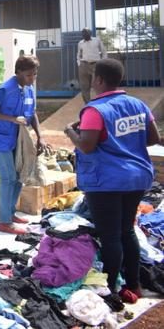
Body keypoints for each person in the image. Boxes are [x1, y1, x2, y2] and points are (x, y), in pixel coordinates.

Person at [64, 58, 161, 303]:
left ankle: (111, 290)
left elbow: (86, 146)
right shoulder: (138, 104)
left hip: (106, 181)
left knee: (110, 236)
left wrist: (70, 132)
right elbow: (152, 138)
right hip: (137, 178)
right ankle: (134, 285)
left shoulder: (95, 110)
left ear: (98, 80)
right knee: (127, 230)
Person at [0, 55, 45, 235]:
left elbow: (32, 113)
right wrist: (11, 119)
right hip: (1, 138)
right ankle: (4, 222)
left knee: (19, 175)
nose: (32, 78)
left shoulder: (29, 89)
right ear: (18, 72)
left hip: (18, 138)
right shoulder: (5, 90)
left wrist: (40, 136)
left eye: (34, 75)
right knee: (8, 178)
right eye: (28, 75)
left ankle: (10, 213)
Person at [77, 28, 108, 103]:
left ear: (90, 33)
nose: (84, 34)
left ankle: (100, 102)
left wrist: (103, 62)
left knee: (98, 84)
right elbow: (78, 54)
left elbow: (104, 52)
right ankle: (88, 104)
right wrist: (79, 63)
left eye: (86, 33)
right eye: (83, 33)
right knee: (84, 86)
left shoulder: (97, 40)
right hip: (84, 66)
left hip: (96, 65)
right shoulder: (80, 43)